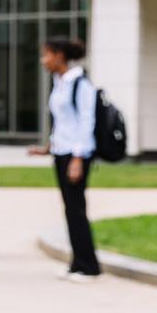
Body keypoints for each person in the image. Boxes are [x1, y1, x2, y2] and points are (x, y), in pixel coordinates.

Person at [29, 37, 100, 281]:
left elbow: (86, 123)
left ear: (59, 56)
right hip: (62, 153)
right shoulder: (60, 82)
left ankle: (89, 266)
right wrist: (48, 148)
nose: (43, 60)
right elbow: (62, 123)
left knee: (77, 209)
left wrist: (78, 158)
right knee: (70, 209)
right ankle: (77, 263)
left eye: (46, 54)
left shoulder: (81, 84)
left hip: (75, 155)